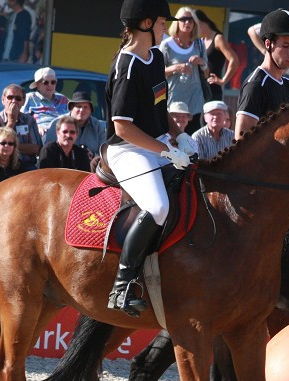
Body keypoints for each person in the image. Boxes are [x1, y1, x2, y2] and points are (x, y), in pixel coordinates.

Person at [104, 0, 194, 315]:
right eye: (160, 23)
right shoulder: (127, 65)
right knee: (157, 206)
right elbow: (123, 127)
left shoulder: (155, 56)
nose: (165, 28)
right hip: (126, 150)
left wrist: (178, 136)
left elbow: (160, 105)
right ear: (145, 24)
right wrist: (166, 151)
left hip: (156, 143)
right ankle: (121, 286)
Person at [235, 10, 289, 139]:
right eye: (286, 45)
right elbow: (241, 142)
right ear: (268, 44)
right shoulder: (256, 85)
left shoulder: (287, 84)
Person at [160, 6, 209, 135]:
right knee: (171, 134)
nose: (187, 23)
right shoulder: (167, 44)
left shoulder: (199, 44)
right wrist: (176, 67)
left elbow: (206, 73)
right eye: (183, 19)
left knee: (193, 133)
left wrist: (202, 63)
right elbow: (157, 72)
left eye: (191, 20)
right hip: (174, 97)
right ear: (177, 22)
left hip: (194, 97)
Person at [0, 84, 42, 172]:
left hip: (26, 165)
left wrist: (7, 146)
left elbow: (35, 148)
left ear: (23, 102)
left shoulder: (29, 120)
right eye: (10, 97)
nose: (13, 101)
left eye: (18, 99)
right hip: (1, 166)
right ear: (3, 100)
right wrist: (11, 122)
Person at [195, 9, 240, 102]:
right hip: (200, 88)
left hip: (213, 90)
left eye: (195, 26)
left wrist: (223, 80)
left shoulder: (218, 38)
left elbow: (234, 60)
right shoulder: (202, 41)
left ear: (201, 23)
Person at [43, 90, 105, 157]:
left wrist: (93, 156)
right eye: (79, 106)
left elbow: (104, 152)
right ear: (71, 108)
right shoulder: (57, 123)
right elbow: (47, 151)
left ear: (90, 111)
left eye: (85, 107)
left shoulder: (97, 126)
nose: (82, 110)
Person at [22, 67, 70, 138]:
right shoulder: (30, 98)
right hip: (41, 136)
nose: (50, 85)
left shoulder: (63, 98)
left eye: (53, 82)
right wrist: (36, 127)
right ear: (37, 86)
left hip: (64, 134)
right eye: (46, 82)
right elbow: (21, 118)